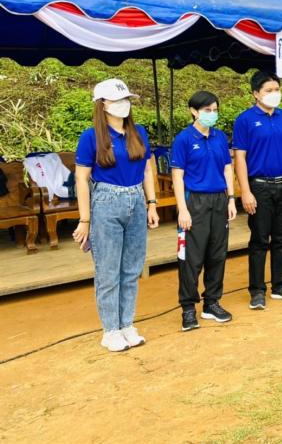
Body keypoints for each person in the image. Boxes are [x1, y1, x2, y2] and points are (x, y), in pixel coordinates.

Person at [73, 79, 159, 352]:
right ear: (102, 105)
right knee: (108, 271)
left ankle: (127, 325)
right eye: (117, 100)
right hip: (106, 202)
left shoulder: (138, 132)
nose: (124, 104)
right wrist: (85, 219)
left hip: (136, 199)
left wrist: (152, 203)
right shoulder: (91, 137)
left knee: (132, 268)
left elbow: (147, 170)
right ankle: (111, 330)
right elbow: (81, 178)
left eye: (126, 99)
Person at [233, 72, 282, 309]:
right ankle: (257, 290)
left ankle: (279, 285)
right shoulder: (245, 120)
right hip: (260, 187)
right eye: (268, 90)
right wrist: (245, 191)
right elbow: (240, 158)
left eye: (277, 89)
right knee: (259, 240)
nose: (274, 94)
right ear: (256, 93)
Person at [171, 91, 237, 332]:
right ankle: (188, 308)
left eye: (215, 110)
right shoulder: (184, 139)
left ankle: (212, 302)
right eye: (207, 110)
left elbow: (227, 168)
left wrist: (231, 199)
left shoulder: (219, 137)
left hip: (219, 200)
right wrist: (182, 209)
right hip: (195, 201)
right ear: (193, 111)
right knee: (191, 257)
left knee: (217, 254)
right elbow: (177, 176)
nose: (212, 114)